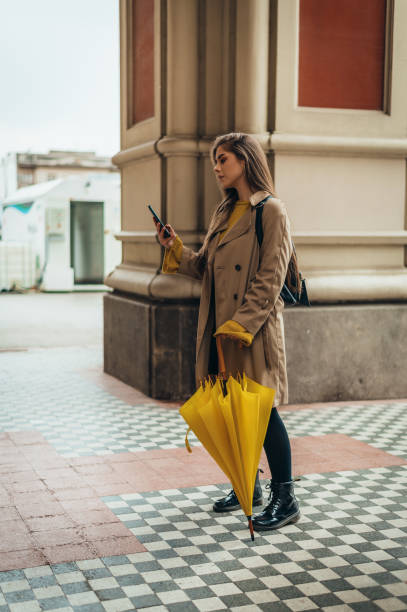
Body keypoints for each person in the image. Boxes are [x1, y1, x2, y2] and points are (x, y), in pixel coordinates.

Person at [153, 132, 300, 531]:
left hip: (250, 329)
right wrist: (175, 248)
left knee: (262, 412)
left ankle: (285, 496)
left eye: (223, 159)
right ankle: (247, 485)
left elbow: (272, 276)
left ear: (245, 161)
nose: (216, 168)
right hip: (220, 328)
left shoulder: (271, 211)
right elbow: (205, 267)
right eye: (215, 161)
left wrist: (243, 324)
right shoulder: (225, 211)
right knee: (233, 408)